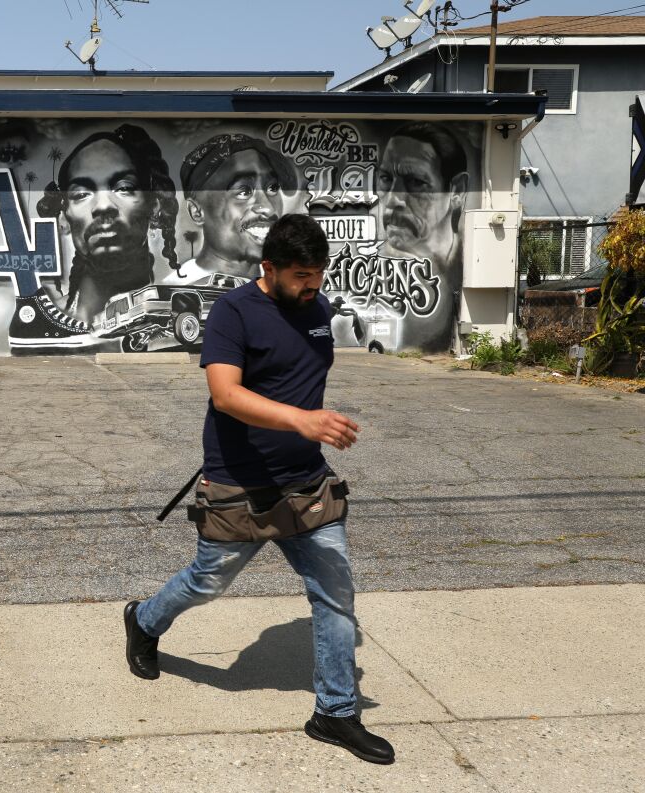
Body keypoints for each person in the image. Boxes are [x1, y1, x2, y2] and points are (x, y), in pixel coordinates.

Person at [123, 214, 395, 766]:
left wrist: (312, 427)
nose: (312, 286)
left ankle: (335, 712)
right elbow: (225, 395)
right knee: (206, 582)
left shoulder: (316, 309)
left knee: (335, 594)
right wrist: (303, 420)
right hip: (238, 482)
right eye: (300, 275)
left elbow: (298, 377)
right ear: (268, 268)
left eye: (318, 274)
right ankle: (143, 620)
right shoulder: (232, 311)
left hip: (306, 485)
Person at [36, 124, 179, 324]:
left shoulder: (178, 316)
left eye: (124, 188)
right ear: (63, 216)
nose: (103, 206)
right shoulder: (47, 322)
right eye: (81, 194)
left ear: (153, 206)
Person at [375, 122, 469, 350]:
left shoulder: (469, 262)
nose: (392, 201)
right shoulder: (374, 263)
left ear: (456, 191)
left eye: (416, 182)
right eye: (386, 179)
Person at [170, 134, 299, 284]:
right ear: (196, 211)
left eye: (272, 188)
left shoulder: (287, 287)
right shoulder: (176, 293)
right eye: (243, 192)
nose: (269, 209)